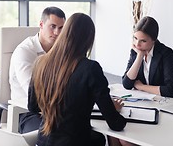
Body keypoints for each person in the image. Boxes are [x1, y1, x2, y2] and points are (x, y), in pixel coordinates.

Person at [28, 13, 126, 146]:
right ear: (89, 39)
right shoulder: (91, 68)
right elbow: (115, 124)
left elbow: (33, 107)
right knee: (99, 139)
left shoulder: (40, 62)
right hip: (75, 142)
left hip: (43, 142)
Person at [9, 6, 66, 133]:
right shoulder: (24, 51)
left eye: (61, 28)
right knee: (57, 134)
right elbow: (33, 93)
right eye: (53, 26)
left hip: (56, 108)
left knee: (91, 133)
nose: (57, 32)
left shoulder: (60, 51)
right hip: (27, 112)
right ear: (41, 24)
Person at [122, 16, 173, 99]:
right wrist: (139, 57)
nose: (137, 44)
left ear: (153, 40)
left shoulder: (166, 53)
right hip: (149, 101)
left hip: (169, 103)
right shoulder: (135, 51)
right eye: (135, 38)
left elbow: (170, 90)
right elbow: (127, 84)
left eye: (143, 41)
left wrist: (141, 87)